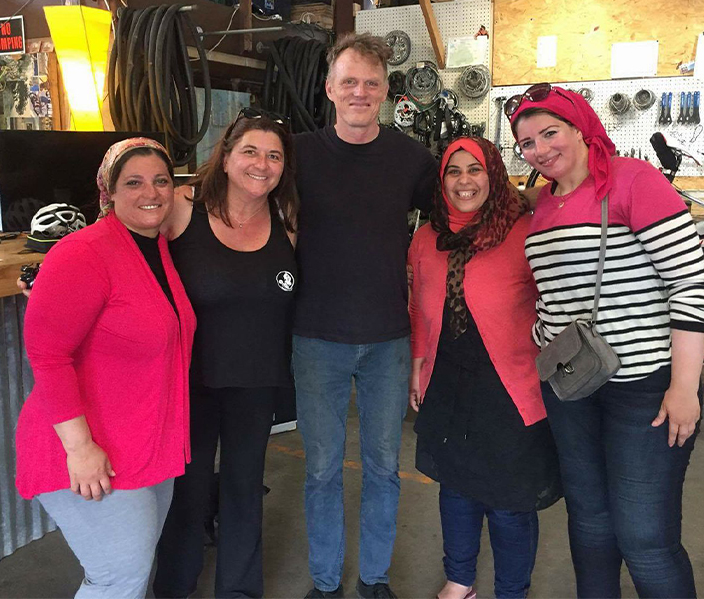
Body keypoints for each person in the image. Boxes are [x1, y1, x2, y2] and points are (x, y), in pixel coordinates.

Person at [507, 84, 704, 598]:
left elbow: (689, 283)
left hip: (643, 387)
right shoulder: (541, 203)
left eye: (550, 133)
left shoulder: (632, 180)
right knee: (590, 525)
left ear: (580, 127)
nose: (540, 149)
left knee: (645, 538)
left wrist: (684, 387)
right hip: (570, 385)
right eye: (527, 143)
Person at [14, 138, 196, 599]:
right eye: (133, 182)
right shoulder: (85, 251)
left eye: (161, 181)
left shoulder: (156, 248)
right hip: (88, 448)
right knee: (118, 578)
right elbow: (48, 355)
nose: (150, 192)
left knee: (131, 573)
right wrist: (80, 449)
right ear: (108, 191)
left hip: (143, 443)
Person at [291, 33, 438, 599]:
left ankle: (374, 580)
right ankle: (326, 584)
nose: (359, 92)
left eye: (371, 83)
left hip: (387, 340)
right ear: (330, 89)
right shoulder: (296, 154)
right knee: (321, 470)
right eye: (349, 81)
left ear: (384, 91)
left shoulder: (411, 159)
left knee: (382, 468)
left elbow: (462, 208)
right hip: (316, 337)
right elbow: (237, 195)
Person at [152, 108, 299, 599]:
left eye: (274, 156)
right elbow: (121, 248)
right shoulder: (181, 206)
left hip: (256, 380)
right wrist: (57, 277)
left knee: (243, 489)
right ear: (227, 154)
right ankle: (174, 588)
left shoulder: (285, 216)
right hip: (190, 379)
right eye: (251, 151)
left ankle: (239, 591)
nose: (262, 164)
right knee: (188, 491)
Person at [408, 136, 562, 599]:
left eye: (474, 169)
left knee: (510, 501)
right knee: (456, 488)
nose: (464, 181)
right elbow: (418, 307)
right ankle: (459, 581)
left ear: (493, 176)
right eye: (453, 171)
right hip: (447, 381)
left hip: (511, 387)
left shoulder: (525, 231)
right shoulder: (426, 237)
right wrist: (418, 364)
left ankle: (511, 591)